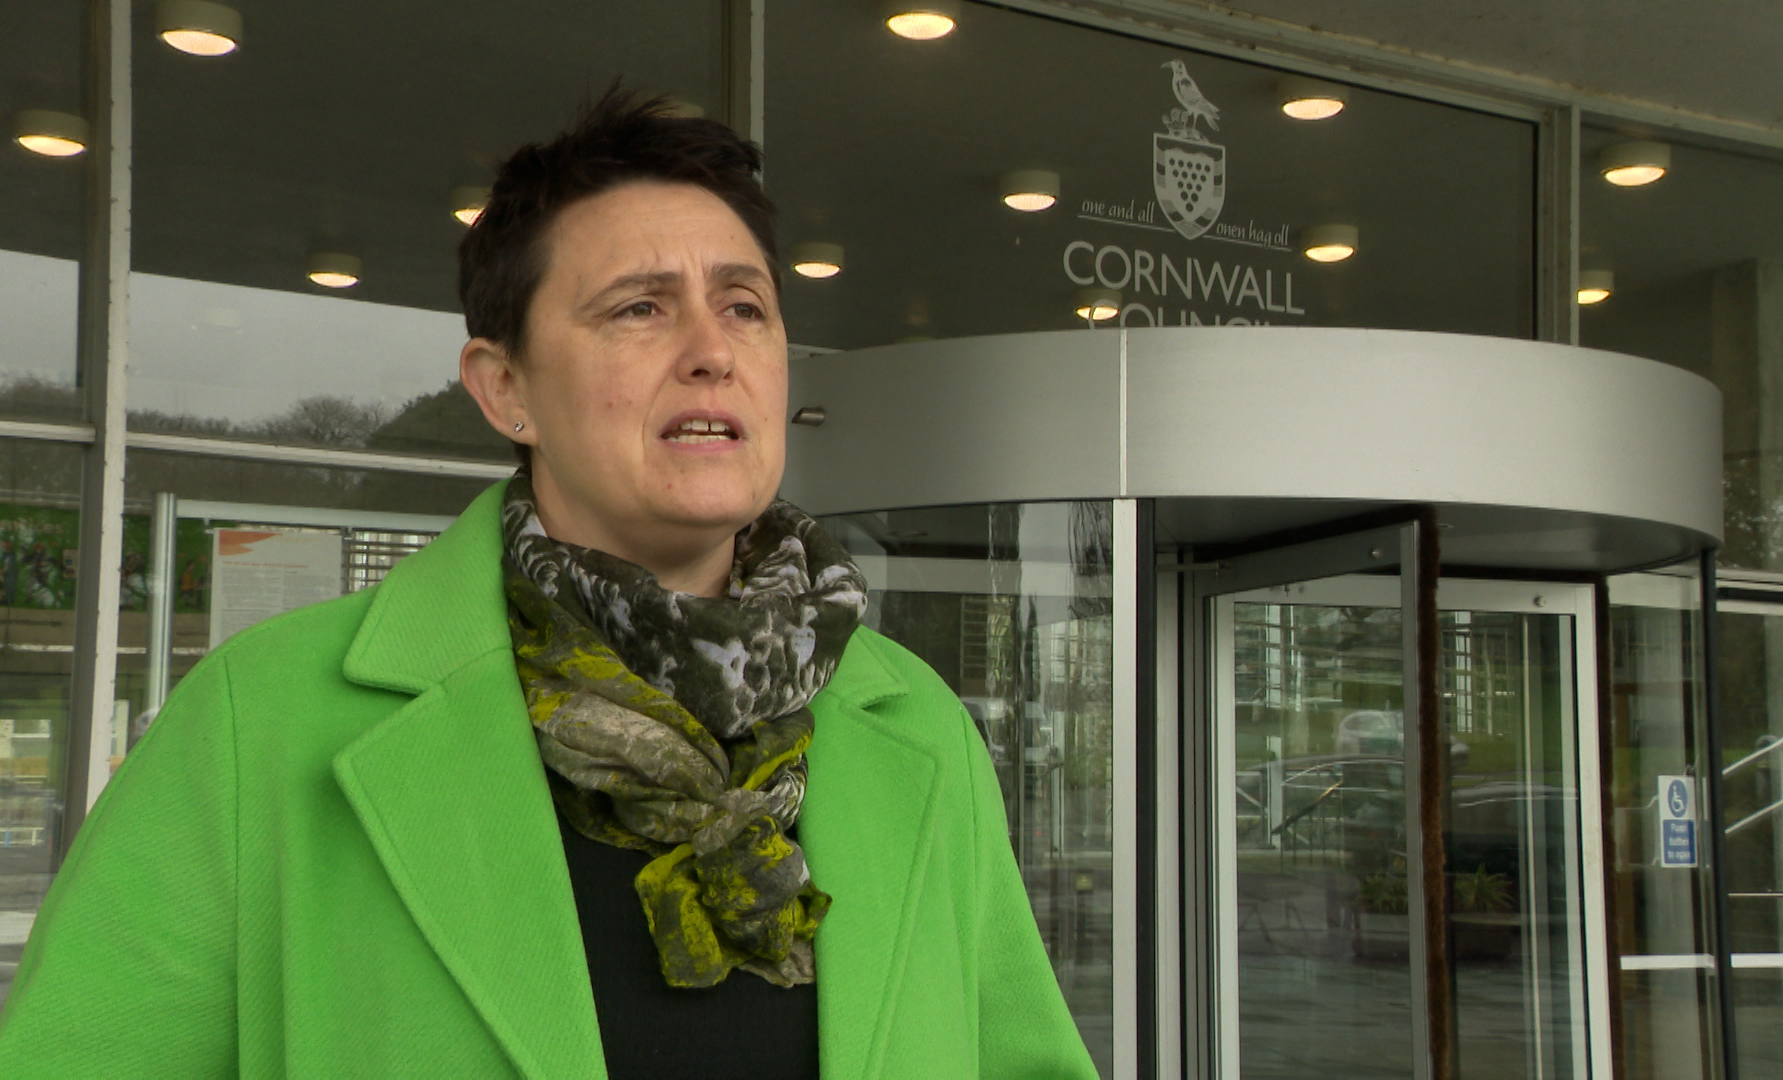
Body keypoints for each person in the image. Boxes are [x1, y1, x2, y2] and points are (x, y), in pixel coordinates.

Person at [0, 90, 1098, 1079]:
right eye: (639, 308)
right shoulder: (259, 726)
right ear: (505, 390)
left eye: (745, 306)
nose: (712, 350)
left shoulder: (916, 728)